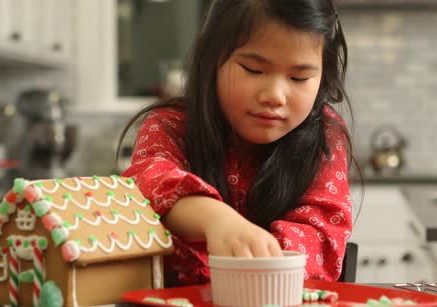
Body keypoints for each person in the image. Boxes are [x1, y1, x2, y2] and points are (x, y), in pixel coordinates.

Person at [118, 0, 355, 285]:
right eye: (253, 70)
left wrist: (255, 257)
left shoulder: (325, 139)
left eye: (298, 77)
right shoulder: (169, 126)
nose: (275, 95)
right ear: (212, 60)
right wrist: (214, 220)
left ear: (323, 77)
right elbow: (148, 184)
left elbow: (321, 239)